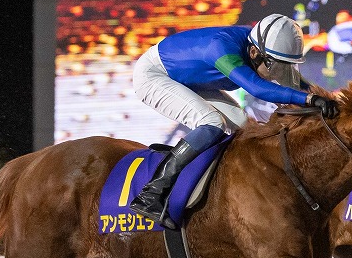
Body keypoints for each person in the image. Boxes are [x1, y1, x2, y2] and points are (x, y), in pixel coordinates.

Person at [128, 14, 338, 227]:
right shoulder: (221, 49)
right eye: (275, 67)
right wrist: (309, 99)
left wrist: (329, 100)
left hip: (186, 77)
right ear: (254, 53)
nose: (278, 74)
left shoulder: (261, 47)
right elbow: (257, 88)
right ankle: (152, 193)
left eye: (285, 66)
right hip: (154, 75)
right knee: (212, 122)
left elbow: (295, 83)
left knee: (244, 127)